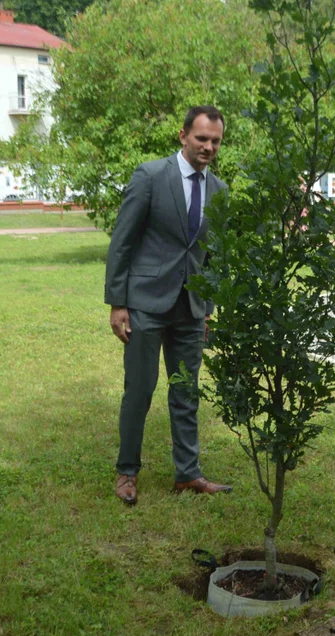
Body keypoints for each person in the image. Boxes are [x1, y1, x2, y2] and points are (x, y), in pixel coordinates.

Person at [106, 105, 232, 505]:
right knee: (139, 391)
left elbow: (212, 255)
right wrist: (118, 303)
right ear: (183, 136)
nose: (208, 147)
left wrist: (207, 306)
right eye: (201, 139)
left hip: (190, 309)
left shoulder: (219, 191)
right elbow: (122, 240)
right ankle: (127, 472)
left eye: (215, 141)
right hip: (144, 304)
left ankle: (187, 473)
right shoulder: (150, 176)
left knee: (186, 393)